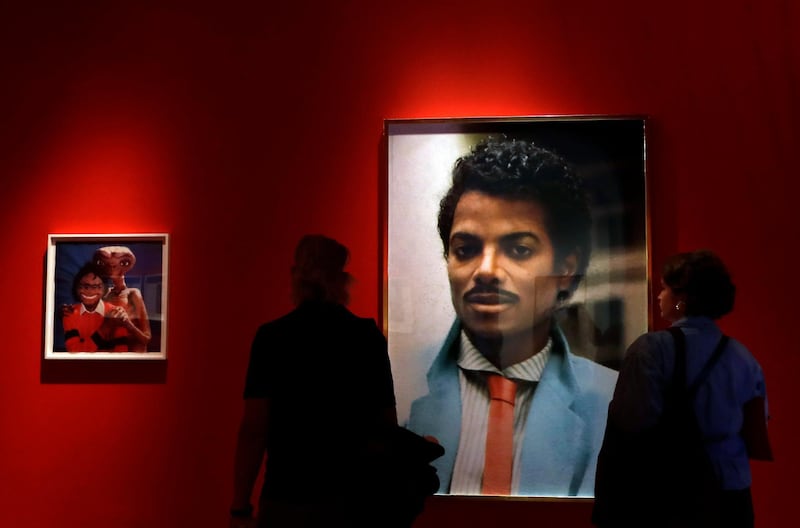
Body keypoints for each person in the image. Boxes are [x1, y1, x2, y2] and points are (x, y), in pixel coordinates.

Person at [406, 137, 618, 496]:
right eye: (466, 249)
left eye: (519, 249)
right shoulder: (402, 384)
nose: (486, 270)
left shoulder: (611, 400)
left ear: (565, 268)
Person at [230, 235, 438, 528]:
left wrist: (239, 507)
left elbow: (254, 429)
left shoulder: (272, 338)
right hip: (353, 504)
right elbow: (385, 424)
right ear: (341, 279)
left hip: (286, 499)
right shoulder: (365, 338)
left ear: (296, 278)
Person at [592, 249, 773, 528]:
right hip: (733, 493)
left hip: (672, 494)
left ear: (682, 300)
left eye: (665, 289)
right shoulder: (744, 357)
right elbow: (758, 422)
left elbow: (632, 421)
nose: (660, 296)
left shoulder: (653, 348)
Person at [93, 246, 152, 351]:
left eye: (114, 266)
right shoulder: (104, 295)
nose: (111, 269)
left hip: (131, 355)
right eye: (108, 265)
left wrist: (128, 324)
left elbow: (146, 338)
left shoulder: (133, 294)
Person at [60, 262, 129, 352]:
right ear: (76, 288)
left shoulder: (115, 313)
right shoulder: (69, 313)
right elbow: (74, 351)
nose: (90, 291)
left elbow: (121, 352)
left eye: (97, 286)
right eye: (85, 286)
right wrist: (105, 328)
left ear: (104, 289)